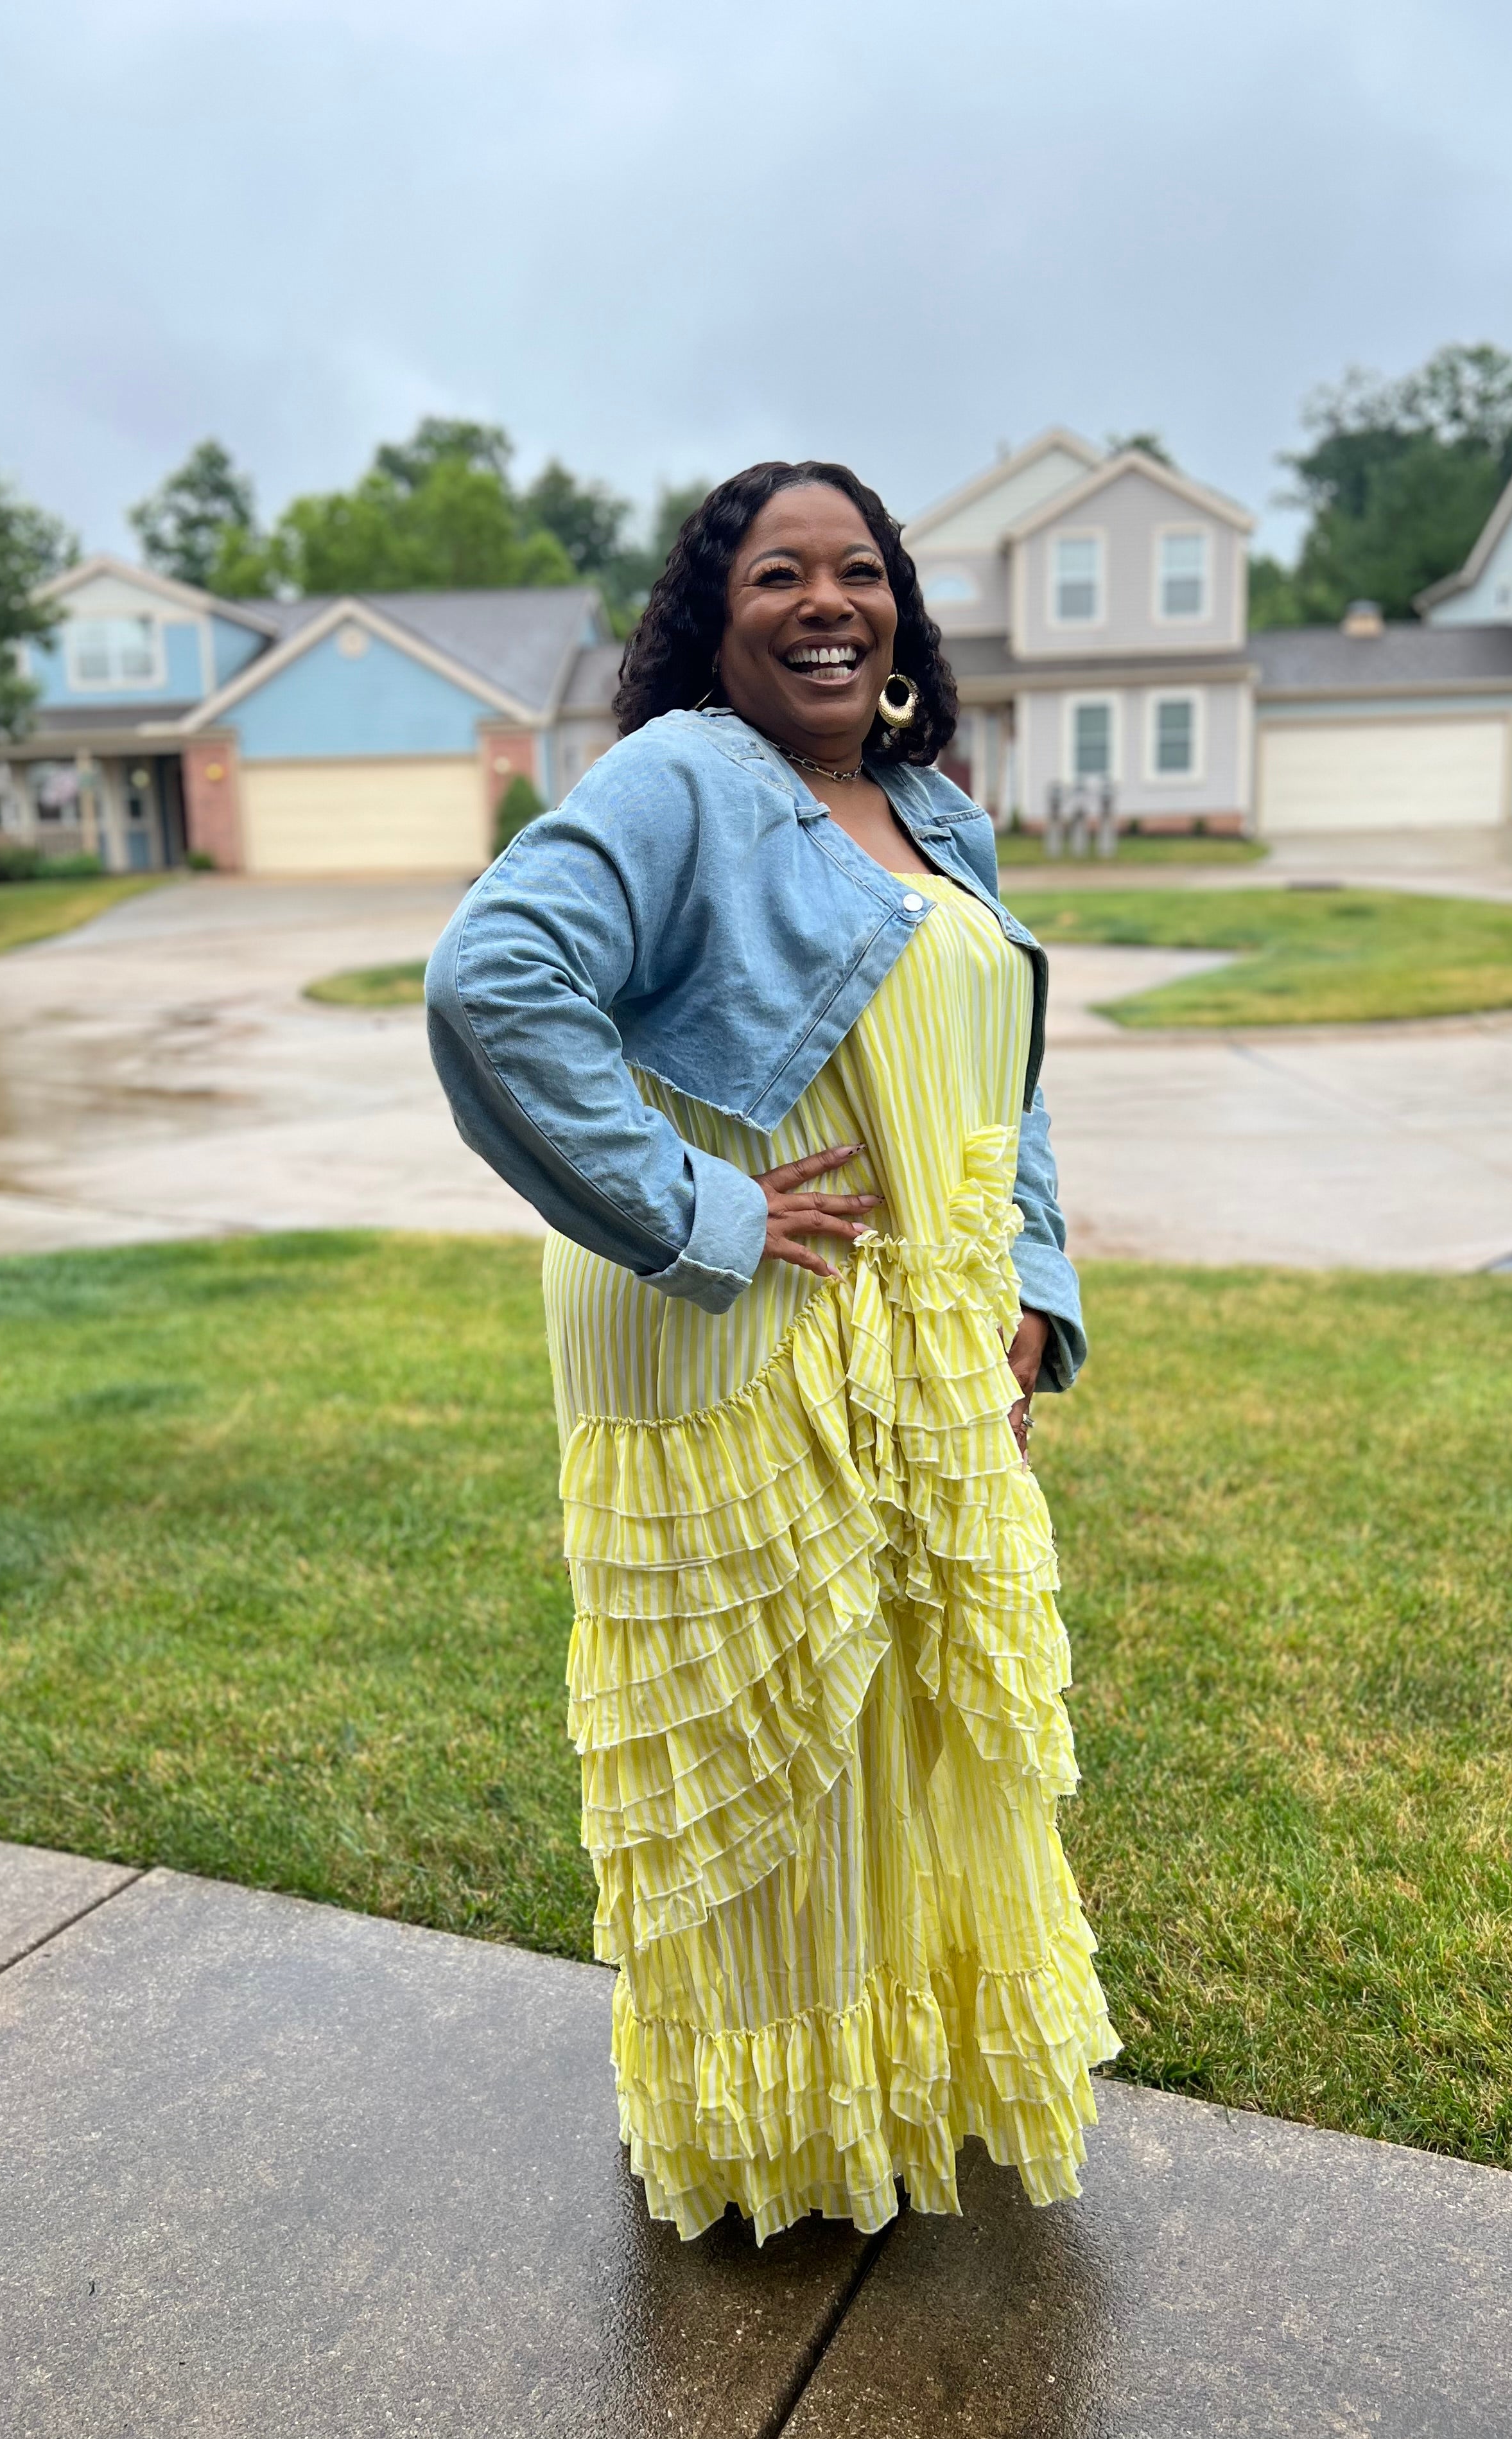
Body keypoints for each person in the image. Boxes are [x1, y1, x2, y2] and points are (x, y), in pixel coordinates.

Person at [426, 460, 1119, 2241]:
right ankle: (779, 2139)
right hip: (744, 1341)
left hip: (921, 1353)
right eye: (779, 575)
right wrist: (702, 1211)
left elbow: (1005, 1071)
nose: (829, 602)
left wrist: (1026, 1281)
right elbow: (496, 982)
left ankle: (900, 2084)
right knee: (774, 1753)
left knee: (907, 1723)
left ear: (899, 613)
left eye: (860, 571)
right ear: (711, 620)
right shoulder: (685, 780)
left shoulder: (934, 812)